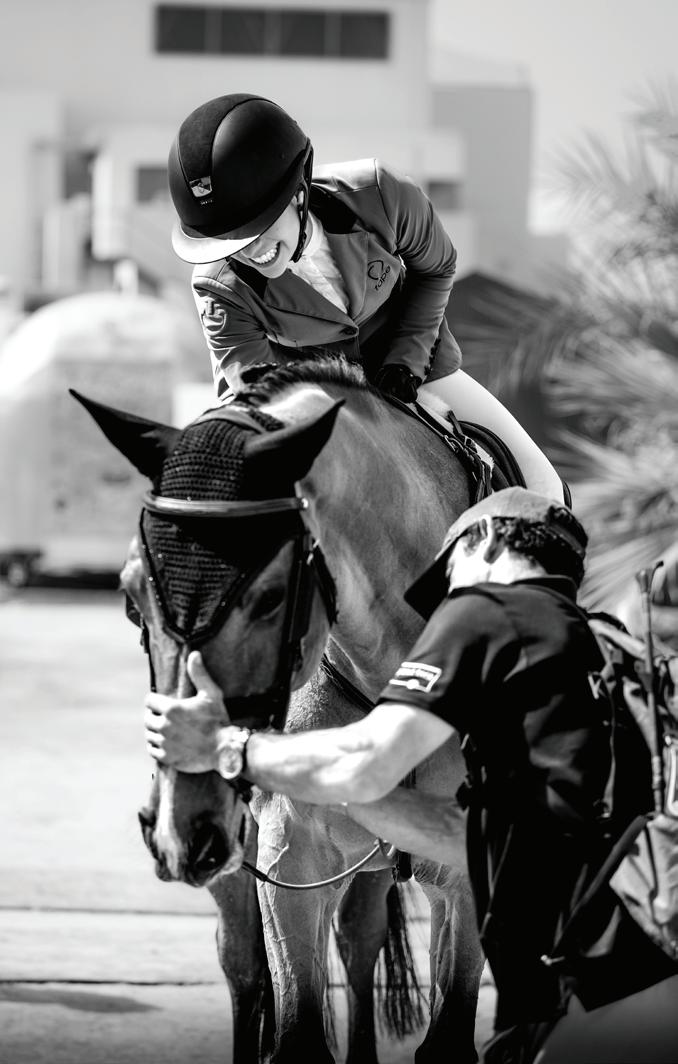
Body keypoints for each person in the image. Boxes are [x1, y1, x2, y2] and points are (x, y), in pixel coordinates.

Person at [144, 487, 677, 1063]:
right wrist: (327, 795)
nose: (442, 603)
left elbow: (365, 762)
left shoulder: (488, 609)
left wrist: (224, 747)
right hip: (637, 989)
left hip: (590, 1001)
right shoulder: (602, 649)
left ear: (485, 544)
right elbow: (471, 837)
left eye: (448, 578)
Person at [168, 93, 564, 500]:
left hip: (420, 372)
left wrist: (406, 362)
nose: (250, 251)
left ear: (297, 194)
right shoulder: (219, 286)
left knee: (544, 486)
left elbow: (436, 267)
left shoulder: (380, 193)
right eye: (228, 241)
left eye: (258, 228)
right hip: (319, 405)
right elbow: (253, 392)